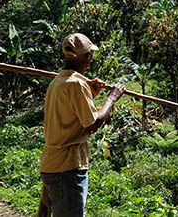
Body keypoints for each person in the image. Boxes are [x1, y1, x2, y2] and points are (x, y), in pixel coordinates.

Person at [37, 33, 125, 217]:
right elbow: (92, 124)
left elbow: (71, 113)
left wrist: (92, 93)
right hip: (67, 168)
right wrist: (112, 98)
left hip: (53, 165)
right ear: (88, 57)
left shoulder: (58, 82)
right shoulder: (76, 84)